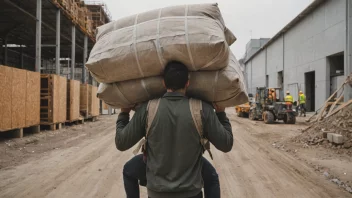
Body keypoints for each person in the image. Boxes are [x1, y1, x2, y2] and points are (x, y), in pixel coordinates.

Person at [115, 61, 233, 198]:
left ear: (164, 83)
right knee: (212, 177)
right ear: (187, 83)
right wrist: (221, 114)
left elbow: (121, 142)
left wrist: (124, 114)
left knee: (128, 170)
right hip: (191, 193)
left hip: (157, 193)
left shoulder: (147, 109)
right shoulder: (202, 109)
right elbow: (226, 144)